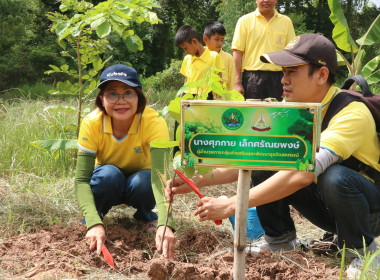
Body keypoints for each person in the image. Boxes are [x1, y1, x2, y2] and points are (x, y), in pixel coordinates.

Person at [166, 34, 380, 271]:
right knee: (267, 154)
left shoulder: (351, 113)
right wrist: (194, 182)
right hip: (328, 209)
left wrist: (233, 205)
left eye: (292, 72)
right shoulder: (294, 111)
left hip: (370, 211)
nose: (283, 80)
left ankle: (364, 252)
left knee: (334, 177)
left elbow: (302, 174)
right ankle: (280, 241)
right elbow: (250, 159)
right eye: (283, 72)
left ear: (321, 75)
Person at [75, 64, 176, 259]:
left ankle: (145, 215)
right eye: (112, 94)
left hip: (141, 182)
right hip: (108, 181)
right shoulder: (91, 123)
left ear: (139, 97)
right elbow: (81, 180)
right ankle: (96, 215)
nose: (121, 101)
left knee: (144, 181)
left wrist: (166, 223)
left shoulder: (154, 122)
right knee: (108, 175)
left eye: (128, 93)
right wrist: (93, 222)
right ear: (101, 99)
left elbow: (160, 178)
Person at [232, 0, 295, 100]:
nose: (266, 0)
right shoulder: (244, 21)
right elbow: (237, 52)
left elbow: (291, 54)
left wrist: (290, 82)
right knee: (252, 114)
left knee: (277, 114)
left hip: (278, 79)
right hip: (252, 78)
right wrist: (237, 82)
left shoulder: (286, 22)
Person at [174, 25, 225, 100]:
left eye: (185, 48)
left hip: (205, 97)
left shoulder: (214, 57)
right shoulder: (187, 59)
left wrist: (217, 103)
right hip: (188, 97)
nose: (185, 51)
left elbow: (219, 83)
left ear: (194, 41)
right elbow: (186, 82)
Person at [203, 21, 235, 91]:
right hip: (202, 100)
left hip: (221, 101)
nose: (220, 43)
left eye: (222, 40)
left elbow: (231, 86)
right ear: (205, 39)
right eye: (217, 40)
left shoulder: (228, 58)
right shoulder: (199, 56)